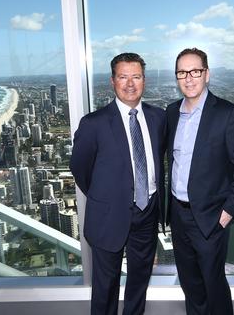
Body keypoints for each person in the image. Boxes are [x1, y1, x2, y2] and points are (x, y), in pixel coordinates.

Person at [70, 52, 165, 315]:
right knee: (105, 286)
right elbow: (80, 169)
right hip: (108, 215)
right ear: (113, 81)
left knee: (139, 281)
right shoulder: (93, 124)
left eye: (136, 76)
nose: (130, 83)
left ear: (144, 80)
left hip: (147, 212)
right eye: (123, 77)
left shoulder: (158, 118)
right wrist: (107, 197)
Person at [166, 48, 234, 314]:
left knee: (213, 285)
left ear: (207, 74)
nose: (189, 78)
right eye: (182, 72)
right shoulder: (172, 112)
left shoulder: (228, 114)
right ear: (177, 77)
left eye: (195, 71)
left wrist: (228, 213)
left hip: (210, 217)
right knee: (190, 284)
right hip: (178, 215)